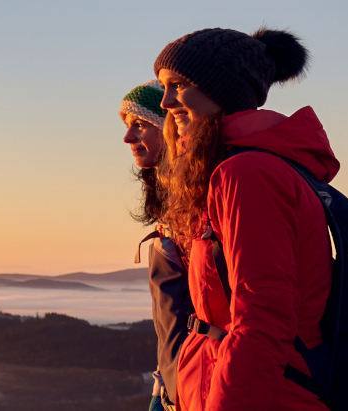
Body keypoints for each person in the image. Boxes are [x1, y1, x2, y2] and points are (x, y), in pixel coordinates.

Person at [152, 27, 330, 411]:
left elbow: (263, 320)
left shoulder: (247, 174)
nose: (165, 102)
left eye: (178, 85)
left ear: (222, 91)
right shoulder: (241, 167)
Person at [121, 79, 192, 411]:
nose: (127, 137)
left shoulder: (197, 206)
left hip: (200, 385)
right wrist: (162, 385)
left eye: (140, 124)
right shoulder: (173, 208)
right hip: (175, 385)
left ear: (170, 127)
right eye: (126, 125)